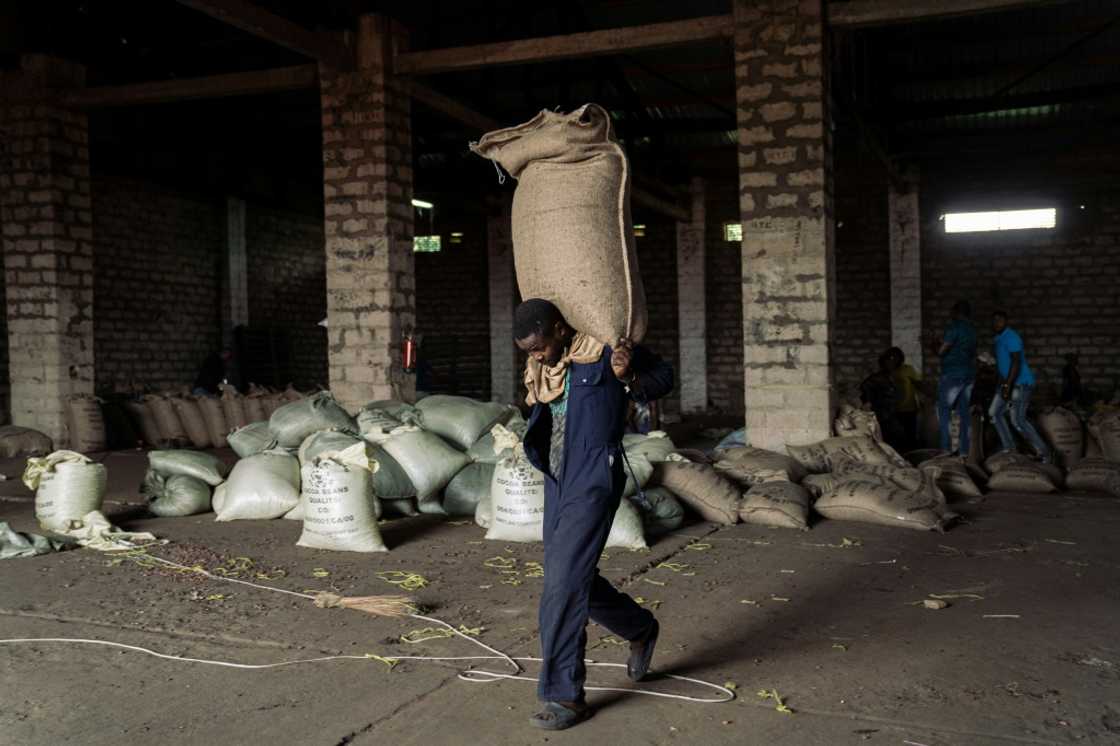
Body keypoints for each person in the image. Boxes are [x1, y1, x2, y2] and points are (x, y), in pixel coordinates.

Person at [514, 298, 673, 731]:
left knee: (563, 585)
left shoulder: (603, 351)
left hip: (593, 478)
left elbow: (664, 378)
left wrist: (628, 375)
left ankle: (564, 695)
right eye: (527, 351)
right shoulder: (546, 369)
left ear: (561, 330)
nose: (536, 356)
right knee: (567, 574)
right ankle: (639, 628)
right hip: (557, 478)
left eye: (539, 346)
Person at [989, 311, 1051, 462]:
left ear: (1006, 321)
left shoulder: (1012, 337)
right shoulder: (998, 338)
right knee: (994, 413)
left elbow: (1016, 363)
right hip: (1007, 383)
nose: (997, 323)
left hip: (1020, 384)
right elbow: (1003, 365)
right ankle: (1010, 449)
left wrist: (1007, 386)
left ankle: (1046, 454)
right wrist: (1001, 384)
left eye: (1000, 320)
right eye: (994, 321)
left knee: (1018, 420)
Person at [933, 301, 978, 458]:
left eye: (952, 311)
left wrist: (934, 343)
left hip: (953, 374)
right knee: (964, 413)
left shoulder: (954, 328)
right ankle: (964, 451)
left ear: (957, 312)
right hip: (968, 375)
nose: (950, 314)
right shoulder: (972, 331)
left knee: (944, 409)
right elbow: (972, 354)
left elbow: (941, 351)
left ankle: (945, 448)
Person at [860, 351, 903, 450]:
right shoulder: (878, 378)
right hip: (881, 414)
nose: (892, 364)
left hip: (890, 414)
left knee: (895, 438)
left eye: (896, 362)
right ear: (884, 362)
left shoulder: (890, 377)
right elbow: (865, 386)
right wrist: (868, 401)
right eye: (890, 361)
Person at [886, 347, 922, 452]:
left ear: (901, 358)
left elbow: (918, 384)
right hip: (892, 411)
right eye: (891, 357)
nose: (894, 359)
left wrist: (929, 395)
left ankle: (911, 457)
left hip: (909, 409)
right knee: (895, 437)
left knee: (910, 436)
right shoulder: (887, 371)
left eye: (896, 357)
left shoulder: (908, 369)